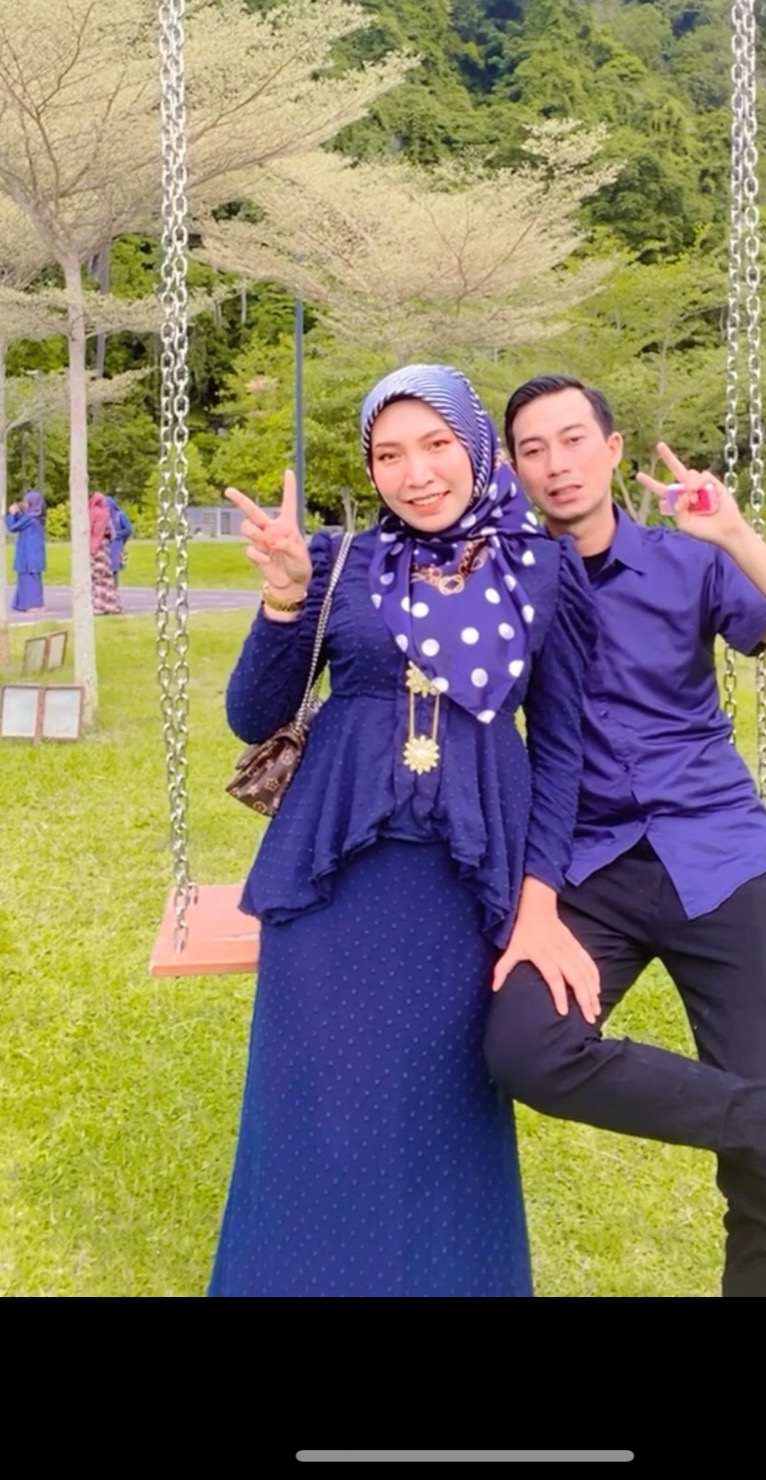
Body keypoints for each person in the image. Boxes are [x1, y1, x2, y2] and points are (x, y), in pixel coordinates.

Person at [484, 374, 766, 1298]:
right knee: (527, 1048)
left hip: (718, 860)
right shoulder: (511, 583)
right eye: (533, 449)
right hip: (589, 869)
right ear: (516, 470)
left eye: (574, 439)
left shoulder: (686, 564)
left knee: (761, 1175)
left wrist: (734, 535)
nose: (557, 463)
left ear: (613, 449)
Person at [207, 364, 596, 1298]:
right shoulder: (341, 561)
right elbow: (253, 713)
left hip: (465, 891)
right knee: (314, 1113)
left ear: (478, 449)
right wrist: (284, 600)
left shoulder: (539, 569)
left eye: (435, 445)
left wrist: (540, 902)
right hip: (330, 886)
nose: (415, 474)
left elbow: (560, 752)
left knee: (441, 1115)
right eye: (389, 455)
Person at [6, 490, 47, 612]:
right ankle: (23, 603)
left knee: (31, 578)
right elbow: (19, 521)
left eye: (27, 502)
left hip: (31, 552)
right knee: (24, 577)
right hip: (27, 551)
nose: (25, 504)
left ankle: (35, 604)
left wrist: (12, 514)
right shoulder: (32, 517)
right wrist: (16, 513)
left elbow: (13, 527)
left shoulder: (31, 518)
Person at [89, 492, 122, 615]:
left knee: (96, 578)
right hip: (103, 546)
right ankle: (112, 605)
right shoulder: (105, 513)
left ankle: (98, 605)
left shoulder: (90, 513)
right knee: (106, 577)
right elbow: (110, 532)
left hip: (92, 547)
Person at [105, 495, 133, 589]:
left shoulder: (120, 515)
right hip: (106, 545)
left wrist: (118, 535)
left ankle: (114, 589)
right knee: (105, 568)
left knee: (114, 567)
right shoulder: (104, 516)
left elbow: (128, 529)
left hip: (116, 545)